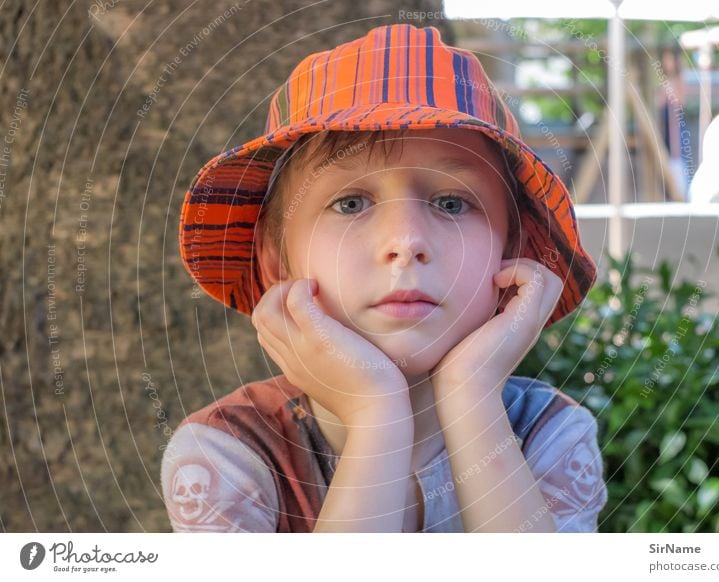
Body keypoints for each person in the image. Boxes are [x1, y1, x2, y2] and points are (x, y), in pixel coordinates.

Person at [162, 23, 607, 533]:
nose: (406, 241)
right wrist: (378, 418)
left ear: (512, 255)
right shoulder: (227, 456)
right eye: (350, 203)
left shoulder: (550, 437)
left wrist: (473, 397)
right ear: (275, 260)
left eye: (452, 202)